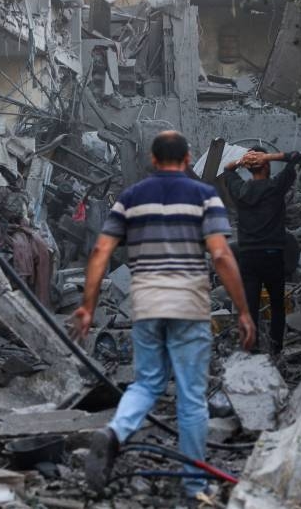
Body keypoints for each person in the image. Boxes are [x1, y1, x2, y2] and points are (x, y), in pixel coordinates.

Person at [70, 131, 256, 502]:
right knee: (190, 395)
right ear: (187, 160)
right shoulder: (205, 196)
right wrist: (243, 310)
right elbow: (220, 256)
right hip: (189, 305)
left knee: (146, 385)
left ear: (153, 161)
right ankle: (192, 484)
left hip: (147, 305)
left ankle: (116, 432)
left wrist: (88, 307)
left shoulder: (131, 198)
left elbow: (100, 251)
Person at [223, 147, 301, 354]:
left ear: (249, 169)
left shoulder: (240, 190)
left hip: (248, 257)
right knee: (277, 306)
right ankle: (276, 349)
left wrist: (243, 161)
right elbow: (295, 157)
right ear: (266, 165)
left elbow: (227, 169)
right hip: (273, 256)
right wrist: (268, 156)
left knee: (250, 308)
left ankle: (252, 350)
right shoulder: (276, 187)